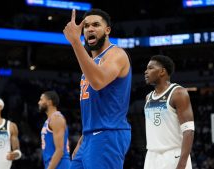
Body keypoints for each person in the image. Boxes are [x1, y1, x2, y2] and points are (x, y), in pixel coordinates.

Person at [63, 8, 132, 169]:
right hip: (90, 135)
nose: (90, 29)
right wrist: (84, 136)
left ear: (107, 30)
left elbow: (98, 81)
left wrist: (75, 42)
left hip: (108, 133)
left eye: (96, 25)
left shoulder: (116, 54)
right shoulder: (92, 63)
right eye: (86, 26)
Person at [144, 55, 195, 169]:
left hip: (173, 155)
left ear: (162, 71)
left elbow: (189, 131)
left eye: (150, 68)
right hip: (151, 156)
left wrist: (182, 164)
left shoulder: (178, 93)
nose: (146, 72)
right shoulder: (148, 97)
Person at [38, 91, 70, 169]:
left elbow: (59, 151)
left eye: (41, 100)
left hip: (61, 165)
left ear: (49, 102)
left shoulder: (56, 119)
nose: (39, 102)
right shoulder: (49, 120)